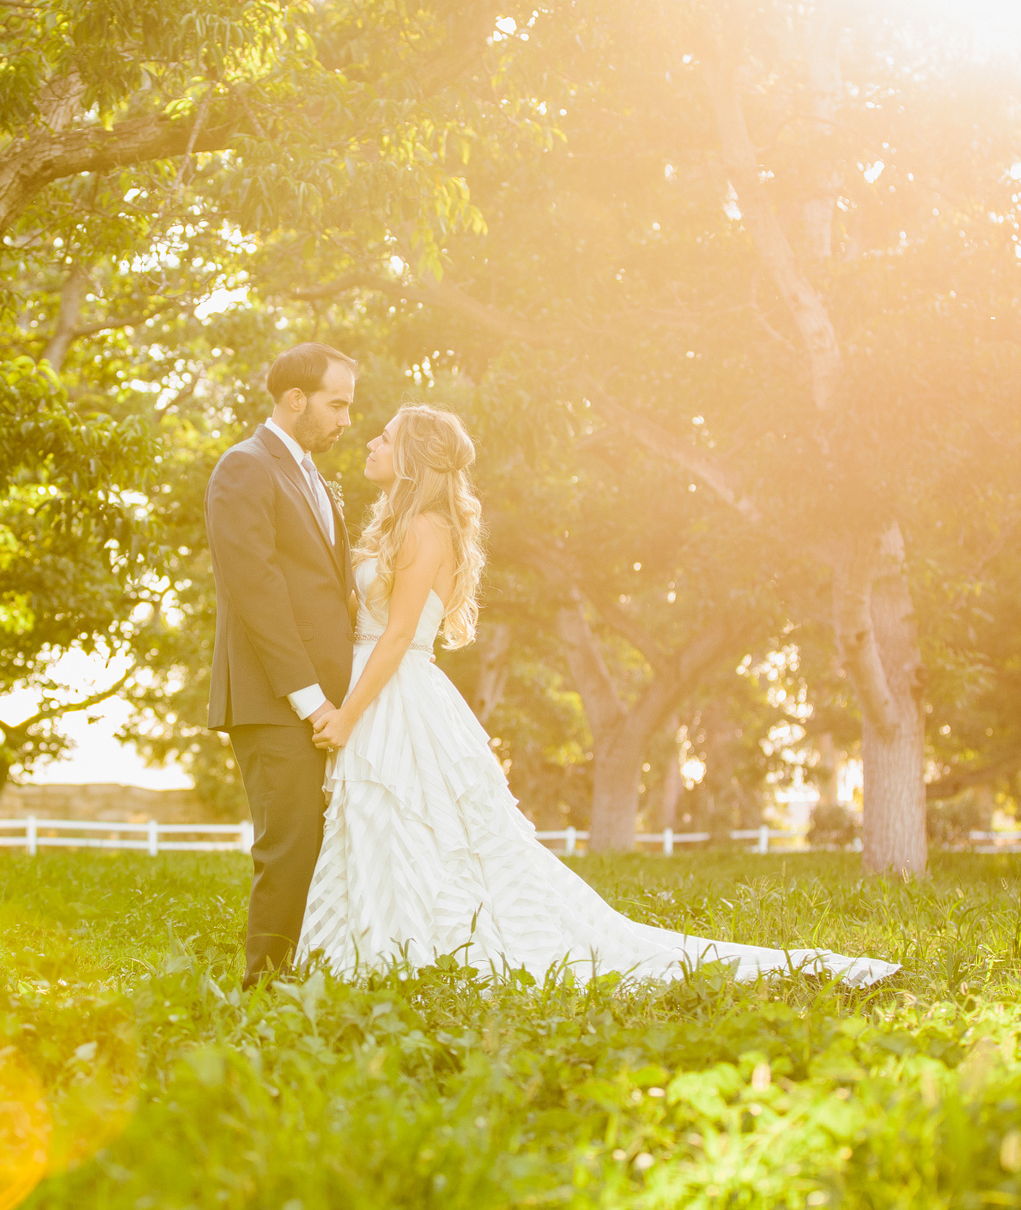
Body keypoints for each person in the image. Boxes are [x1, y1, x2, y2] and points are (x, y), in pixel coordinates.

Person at [298, 404, 901, 988]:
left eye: (384, 436)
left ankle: (413, 949)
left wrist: (349, 716)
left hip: (398, 693)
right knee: (383, 823)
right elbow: (363, 617)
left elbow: (400, 634)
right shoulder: (394, 527)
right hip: (373, 681)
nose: (371, 443)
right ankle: (373, 942)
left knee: (410, 818)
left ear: (412, 457)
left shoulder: (429, 529)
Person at [205, 342, 357, 986]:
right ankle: (263, 990)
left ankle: (314, 975)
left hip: (328, 701)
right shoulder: (245, 468)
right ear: (296, 400)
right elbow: (257, 592)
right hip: (277, 700)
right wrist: (311, 699)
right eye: (337, 404)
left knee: (323, 845)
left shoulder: (312, 476)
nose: (347, 420)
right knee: (289, 846)